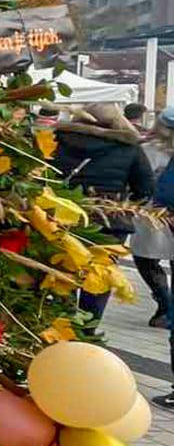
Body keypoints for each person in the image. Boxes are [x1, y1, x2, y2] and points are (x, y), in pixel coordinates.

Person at [53, 102, 154, 319]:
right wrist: (126, 203)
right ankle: (89, 329)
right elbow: (145, 188)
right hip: (110, 220)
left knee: (63, 272)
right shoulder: (129, 147)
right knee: (99, 275)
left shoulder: (58, 140)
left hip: (65, 216)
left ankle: (65, 325)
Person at [130, 108, 174, 326]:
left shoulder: (147, 150)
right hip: (162, 213)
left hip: (151, 213)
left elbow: (137, 182)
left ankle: (165, 304)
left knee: (145, 258)